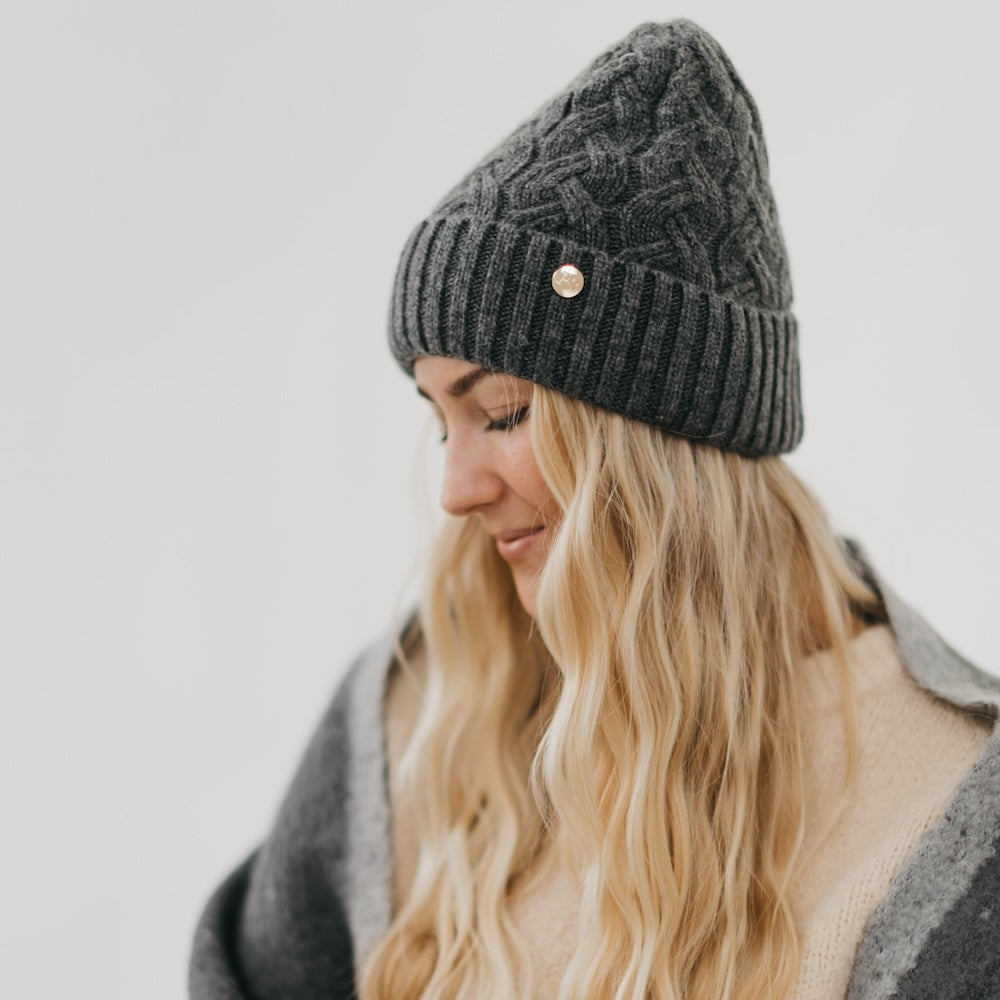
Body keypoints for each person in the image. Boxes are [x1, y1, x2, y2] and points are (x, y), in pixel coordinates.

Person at [189, 19, 1000, 1000]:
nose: (455, 487)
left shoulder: (952, 812)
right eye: (442, 421)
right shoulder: (415, 715)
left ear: (659, 433)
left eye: (503, 411)